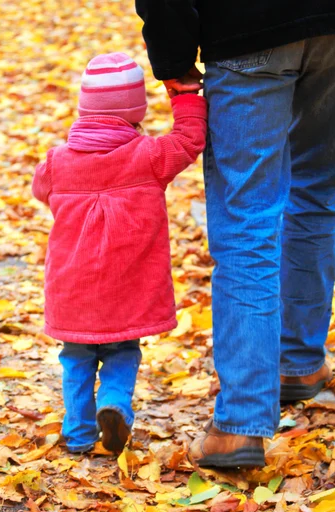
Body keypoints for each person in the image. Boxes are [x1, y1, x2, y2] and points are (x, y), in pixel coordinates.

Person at [136, 1, 335, 469]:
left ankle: (241, 424)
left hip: (248, 29)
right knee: (319, 194)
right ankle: (299, 362)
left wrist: (174, 59)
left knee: (248, 222)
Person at [32, 52, 207, 454]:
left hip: (72, 289)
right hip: (126, 290)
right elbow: (189, 140)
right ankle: (114, 404)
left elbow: (41, 190)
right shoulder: (148, 157)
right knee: (123, 350)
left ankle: (77, 435)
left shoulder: (58, 163)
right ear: (134, 112)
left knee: (75, 360)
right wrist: (186, 95)